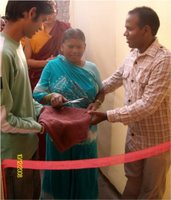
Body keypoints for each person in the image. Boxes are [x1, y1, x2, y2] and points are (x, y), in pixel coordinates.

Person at [88, 6, 171, 199]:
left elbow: (148, 105)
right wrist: (93, 94)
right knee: (132, 181)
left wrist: (106, 116)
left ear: (146, 30)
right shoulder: (133, 53)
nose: (124, 33)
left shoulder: (164, 60)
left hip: (156, 141)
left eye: (129, 28)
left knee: (151, 191)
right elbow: (114, 80)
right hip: (134, 137)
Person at [33, 28, 102, 199]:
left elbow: (101, 91)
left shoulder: (92, 68)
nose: (75, 51)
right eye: (70, 46)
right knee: (59, 171)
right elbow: (37, 93)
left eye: (79, 47)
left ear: (84, 46)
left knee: (84, 171)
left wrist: (97, 102)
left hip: (86, 129)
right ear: (62, 47)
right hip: (59, 128)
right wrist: (52, 96)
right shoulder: (52, 66)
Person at [0, 1, 55, 199]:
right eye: (41, 21)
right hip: (17, 156)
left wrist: (45, 111)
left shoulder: (17, 47)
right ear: (30, 13)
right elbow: (4, 122)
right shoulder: (3, 54)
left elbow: (23, 97)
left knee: (32, 194)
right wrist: (40, 127)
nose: (41, 27)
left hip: (29, 145)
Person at [24, 1, 70, 91]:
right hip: (37, 77)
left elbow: (71, 53)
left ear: (57, 11)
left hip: (60, 74)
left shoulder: (65, 29)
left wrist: (57, 61)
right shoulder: (32, 30)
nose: (48, 16)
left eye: (51, 12)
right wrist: (45, 63)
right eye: (46, 12)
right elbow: (26, 60)